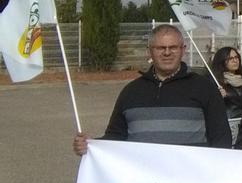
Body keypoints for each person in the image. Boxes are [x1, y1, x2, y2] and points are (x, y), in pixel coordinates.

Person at [72, 25, 231, 155]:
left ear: (183, 50)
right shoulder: (131, 92)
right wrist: (91, 146)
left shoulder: (204, 88)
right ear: (149, 51)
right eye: (160, 48)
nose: (167, 52)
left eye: (173, 47)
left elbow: (221, 139)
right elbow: (115, 137)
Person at [212, 46, 242, 123]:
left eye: (236, 57)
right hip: (229, 122)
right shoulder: (215, 82)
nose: (235, 60)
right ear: (222, 61)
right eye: (230, 59)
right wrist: (217, 97)